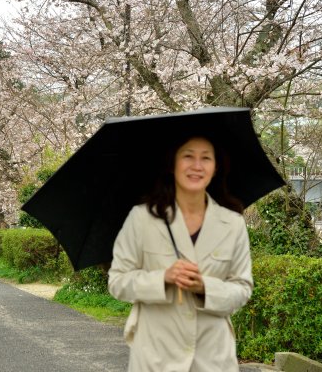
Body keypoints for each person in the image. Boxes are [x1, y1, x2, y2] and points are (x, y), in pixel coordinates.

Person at [108, 135, 253, 372]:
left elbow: (242, 288)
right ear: (172, 163)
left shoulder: (232, 224)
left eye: (205, 158)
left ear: (215, 167)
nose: (197, 166)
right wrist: (163, 277)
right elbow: (118, 282)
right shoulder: (142, 218)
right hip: (155, 357)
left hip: (213, 358)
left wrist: (205, 288)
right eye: (188, 156)